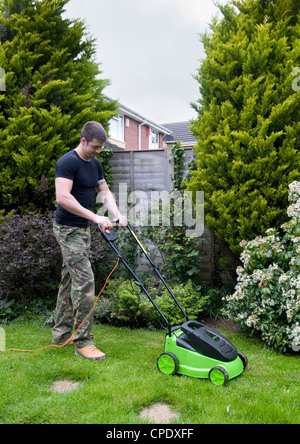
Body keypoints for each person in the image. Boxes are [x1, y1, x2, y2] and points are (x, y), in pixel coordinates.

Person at [52, 121, 127, 361]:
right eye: (95, 146)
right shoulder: (67, 162)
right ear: (83, 140)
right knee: (85, 281)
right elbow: (63, 197)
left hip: (83, 229)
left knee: (69, 279)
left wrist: (115, 213)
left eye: (100, 148)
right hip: (67, 229)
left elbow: (103, 192)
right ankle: (83, 341)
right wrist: (95, 216)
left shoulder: (95, 164)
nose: (98, 151)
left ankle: (60, 334)